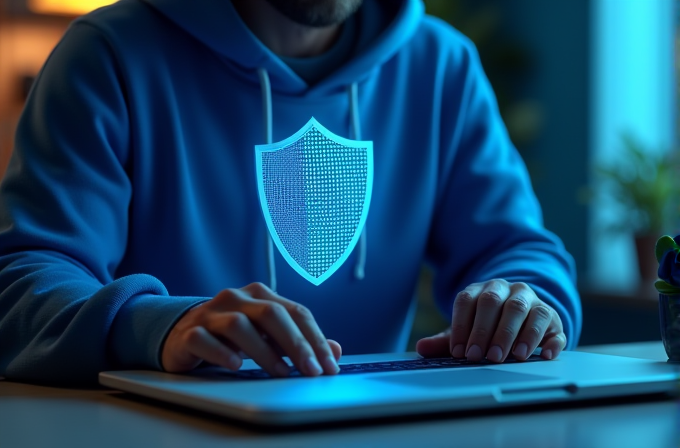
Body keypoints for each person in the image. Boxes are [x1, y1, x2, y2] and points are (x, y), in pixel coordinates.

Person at [0, 0, 581, 383]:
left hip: (375, 431)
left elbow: (517, 250)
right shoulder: (109, 54)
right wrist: (158, 326)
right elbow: (23, 282)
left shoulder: (441, 64)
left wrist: (524, 302)